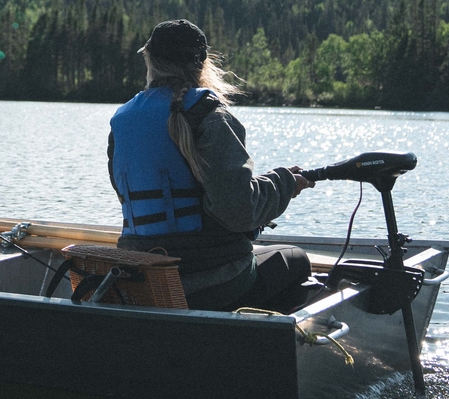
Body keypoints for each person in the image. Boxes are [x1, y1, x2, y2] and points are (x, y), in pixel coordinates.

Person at [107, 19, 314, 312]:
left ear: (150, 60)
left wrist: (277, 181)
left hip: (144, 281)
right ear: (202, 64)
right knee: (295, 260)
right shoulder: (209, 115)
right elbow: (239, 211)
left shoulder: (122, 122)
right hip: (209, 282)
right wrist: (285, 183)